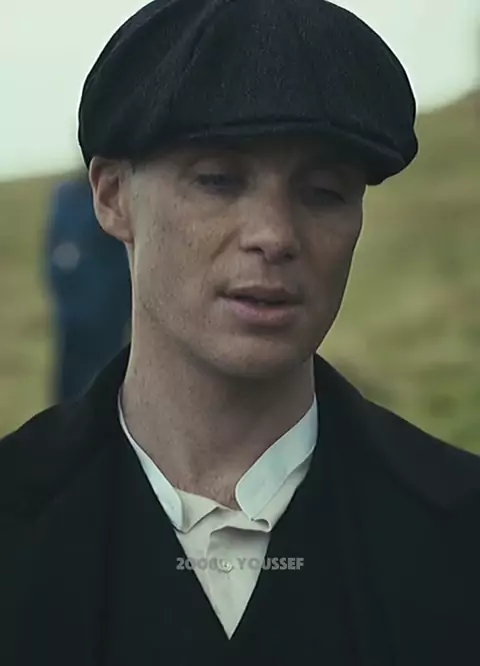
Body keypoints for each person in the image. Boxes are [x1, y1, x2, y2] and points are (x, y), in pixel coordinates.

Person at [1, 1, 480, 664]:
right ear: (111, 197)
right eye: (219, 181)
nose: (275, 236)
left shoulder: (462, 532)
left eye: (324, 192)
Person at [45, 170, 131, 400]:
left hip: (107, 315)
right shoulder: (66, 196)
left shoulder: (117, 197)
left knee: (104, 384)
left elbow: (122, 258)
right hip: (72, 315)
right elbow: (54, 248)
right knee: (69, 387)